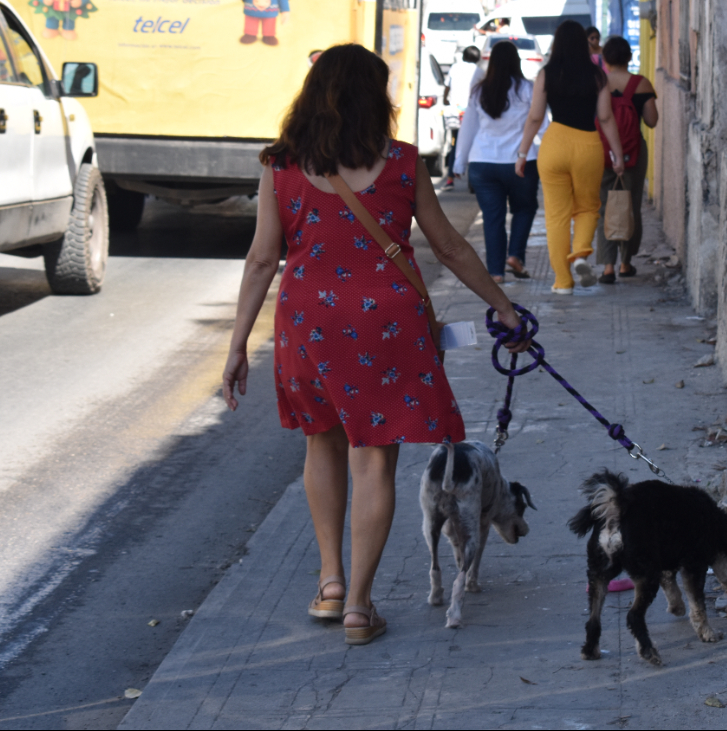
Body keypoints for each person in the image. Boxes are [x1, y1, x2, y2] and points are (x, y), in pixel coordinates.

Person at [221, 44, 529, 646]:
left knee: (323, 442)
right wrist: (504, 306)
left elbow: (262, 259)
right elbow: (449, 247)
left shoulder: (280, 165)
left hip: (308, 325)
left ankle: (331, 582)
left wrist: (237, 346)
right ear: (375, 100)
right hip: (386, 325)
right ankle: (360, 608)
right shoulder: (402, 163)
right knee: (374, 458)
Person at [516, 21, 625, 294]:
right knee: (588, 208)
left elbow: (535, 117)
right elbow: (605, 117)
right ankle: (580, 255)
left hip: (554, 145)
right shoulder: (598, 76)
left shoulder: (547, 73)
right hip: (588, 145)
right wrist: (617, 154)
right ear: (584, 43)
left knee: (556, 216)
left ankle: (563, 282)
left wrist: (522, 153)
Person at [453, 41, 549, 283]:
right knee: (525, 209)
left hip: (482, 162)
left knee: (492, 218)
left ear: (491, 63)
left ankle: (495, 272)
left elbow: (468, 127)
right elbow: (542, 124)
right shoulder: (527, 89)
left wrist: (459, 163)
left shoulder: (478, 91)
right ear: (517, 62)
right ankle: (515, 255)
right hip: (521, 161)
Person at [595, 36, 657, 283]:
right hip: (633, 153)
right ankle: (625, 263)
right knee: (630, 204)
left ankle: (607, 266)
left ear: (605, 59)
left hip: (602, 151)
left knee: (604, 207)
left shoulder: (598, 83)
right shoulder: (641, 84)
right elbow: (652, 121)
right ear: (630, 57)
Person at [442, 45, 481, 191]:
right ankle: (472, 181)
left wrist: (446, 100)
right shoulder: (480, 72)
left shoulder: (454, 68)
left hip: (456, 113)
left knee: (456, 145)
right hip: (472, 114)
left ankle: (450, 179)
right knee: (473, 145)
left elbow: (447, 87)